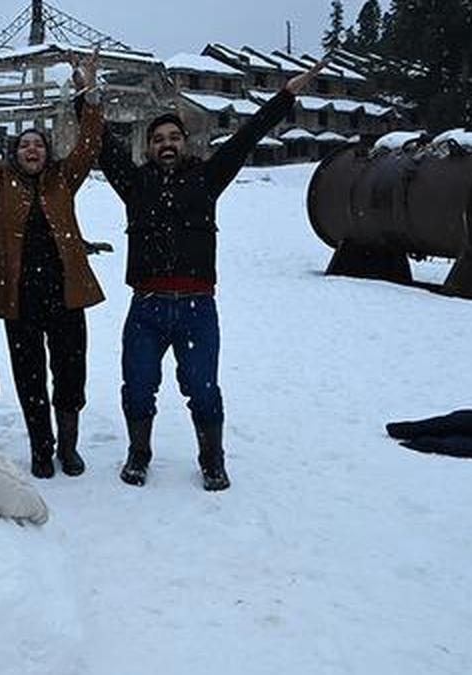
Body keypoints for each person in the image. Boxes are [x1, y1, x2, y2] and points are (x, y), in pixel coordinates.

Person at [99, 56, 328, 491]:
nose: (166, 144)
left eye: (173, 137)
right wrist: (83, 96)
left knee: (203, 389)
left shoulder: (207, 178)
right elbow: (101, 143)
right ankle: (139, 453)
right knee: (138, 386)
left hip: (197, 309)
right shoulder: (135, 184)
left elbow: (248, 135)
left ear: (185, 143)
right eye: (158, 139)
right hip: (146, 308)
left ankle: (212, 459)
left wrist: (286, 95)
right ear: (148, 148)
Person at [0, 51, 105, 479]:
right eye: (24, 145)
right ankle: (41, 447)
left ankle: (68, 445)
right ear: (14, 154)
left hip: (67, 295)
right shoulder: (0, 181)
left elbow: (90, 144)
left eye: (38, 144)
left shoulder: (63, 178)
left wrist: (89, 95)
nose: (31, 149)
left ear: (47, 153)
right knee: (30, 377)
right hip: (20, 299)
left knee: (70, 375)